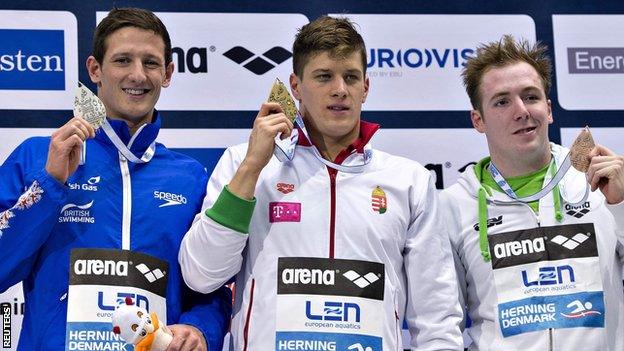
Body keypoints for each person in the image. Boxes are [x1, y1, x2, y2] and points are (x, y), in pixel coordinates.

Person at [178, 15, 463, 350]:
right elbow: (202, 274)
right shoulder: (246, 165)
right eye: (324, 76)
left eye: (351, 77)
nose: (339, 90)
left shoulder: (408, 181)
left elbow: (437, 319)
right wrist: (252, 167)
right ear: (295, 86)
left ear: (365, 87)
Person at [0, 8, 231, 351]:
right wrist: (49, 184)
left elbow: (212, 286)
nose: (138, 75)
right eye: (123, 60)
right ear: (95, 69)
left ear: (168, 73)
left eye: (151, 63)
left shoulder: (191, 176)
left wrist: (199, 329)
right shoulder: (39, 156)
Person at [441, 35, 624, 350]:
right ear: (478, 120)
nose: (521, 111)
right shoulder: (454, 206)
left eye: (531, 96)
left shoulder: (600, 184)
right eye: (502, 101)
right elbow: (441, 325)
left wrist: (621, 204)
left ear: (549, 109)